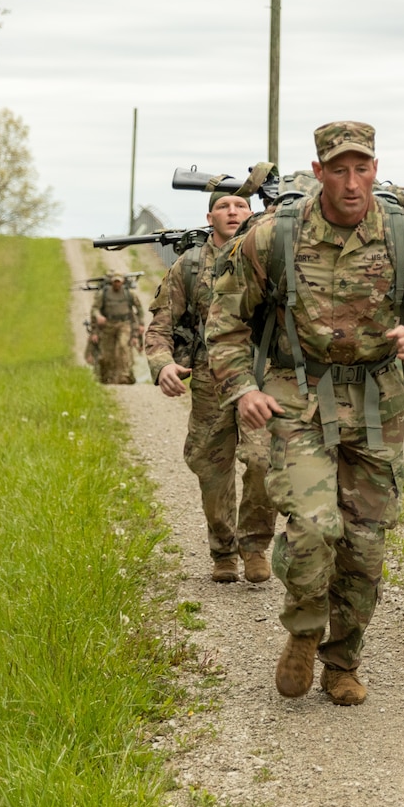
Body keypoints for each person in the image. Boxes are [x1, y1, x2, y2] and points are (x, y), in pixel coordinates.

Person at [207, 122, 404, 706]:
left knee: (365, 544)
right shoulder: (272, 237)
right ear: (319, 170)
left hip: (377, 405)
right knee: (312, 527)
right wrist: (242, 389)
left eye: (363, 168)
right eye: (340, 169)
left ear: (375, 169)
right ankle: (304, 629)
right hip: (297, 397)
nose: (352, 182)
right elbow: (224, 322)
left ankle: (343, 660)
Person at [145, 192, 276, 583]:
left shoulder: (270, 256)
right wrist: (162, 364)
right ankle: (223, 550)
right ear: (209, 216)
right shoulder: (188, 265)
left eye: (240, 205)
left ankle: (254, 546)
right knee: (211, 468)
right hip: (209, 379)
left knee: (262, 461)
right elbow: (161, 323)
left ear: (252, 214)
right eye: (224, 206)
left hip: (261, 375)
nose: (232, 211)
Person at [91, 272, 144, 383]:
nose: (117, 284)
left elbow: (139, 309)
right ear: (111, 282)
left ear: (122, 282)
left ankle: (124, 376)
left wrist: (141, 324)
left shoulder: (129, 294)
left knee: (123, 347)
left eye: (119, 281)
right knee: (106, 353)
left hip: (124, 324)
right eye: (115, 281)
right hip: (108, 325)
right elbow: (95, 309)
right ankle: (106, 377)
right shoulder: (103, 294)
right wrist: (98, 316)